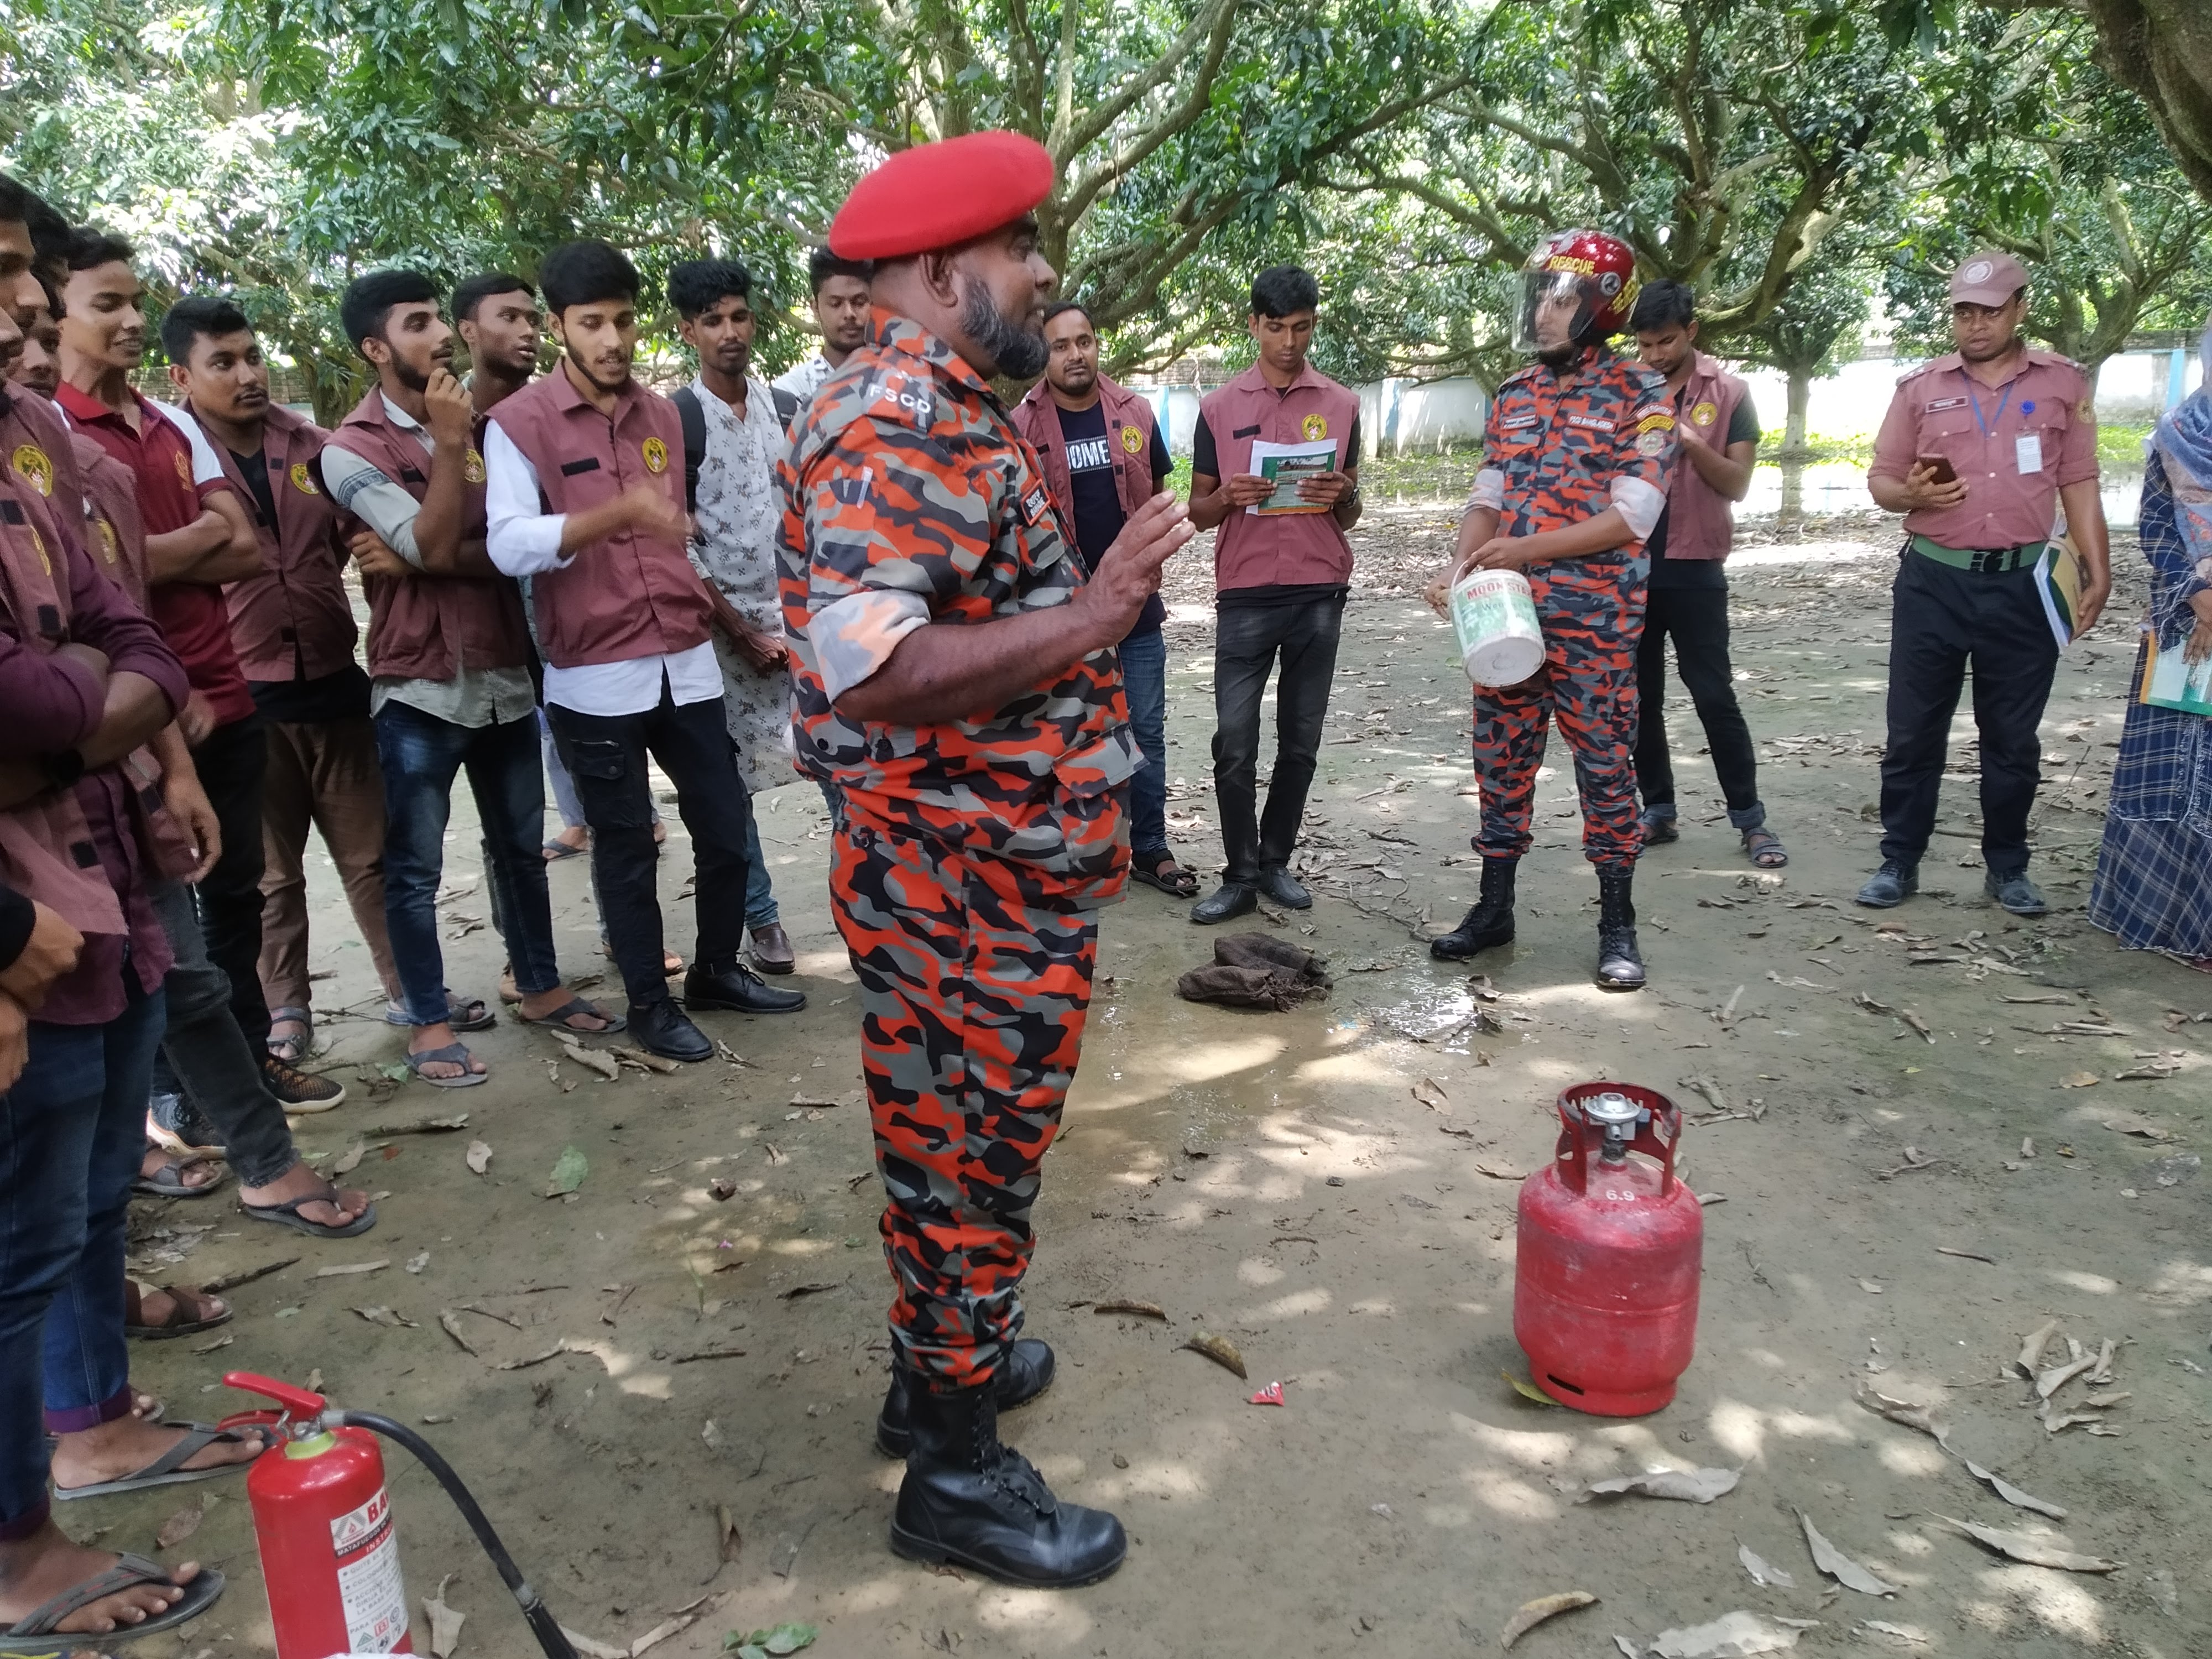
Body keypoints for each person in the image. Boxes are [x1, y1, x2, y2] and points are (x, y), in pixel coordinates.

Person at [783, 129, 1193, 1587]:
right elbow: (872, 668)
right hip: (958, 882)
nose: (1041, 272)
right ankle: (954, 1479)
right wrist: (1094, 617)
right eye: (1019, 249)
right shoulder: (895, 422)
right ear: (940, 271)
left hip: (992, 864)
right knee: (965, 1161)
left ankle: (935, 1379)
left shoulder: (950, 403)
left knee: (965, 1150)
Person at [0, 410, 255, 1643]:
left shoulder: (29, 436)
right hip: (22, 917)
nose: (25, 326)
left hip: (95, 869)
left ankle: (93, 1425)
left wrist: (59, 738)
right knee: (15, 1244)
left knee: (88, 1196)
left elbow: (132, 641)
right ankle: (14, 1551)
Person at [483, 238, 803, 1062]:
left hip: (686, 664)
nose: (613, 340)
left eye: (623, 321)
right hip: (596, 679)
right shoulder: (519, 425)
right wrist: (615, 515)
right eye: (592, 323)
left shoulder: (661, 415)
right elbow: (509, 544)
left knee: (724, 827)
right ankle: (650, 1006)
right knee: (626, 849)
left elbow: (676, 536)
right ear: (560, 326)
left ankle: (716, 972)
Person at [54, 231, 343, 1110]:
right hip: (133, 716)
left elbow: (243, 546)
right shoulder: (52, 429)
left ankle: (250, 1065)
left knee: (235, 898)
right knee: (152, 919)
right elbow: (79, 579)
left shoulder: (171, 424)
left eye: (135, 302)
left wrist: (131, 553)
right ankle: (171, 1099)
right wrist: (175, 549)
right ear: (56, 312)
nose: (130, 320)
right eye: (107, 304)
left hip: (227, 696)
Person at [321, 270, 622, 1086]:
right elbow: (425, 545)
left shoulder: (493, 430)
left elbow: (517, 547)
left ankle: (540, 985)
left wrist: (436, 552)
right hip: (421, 684)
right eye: (417, 324)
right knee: (415, 868)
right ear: (375, 348)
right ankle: (427, 1022)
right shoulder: (349, 450)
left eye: (437, 320)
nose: (439, 338)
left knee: (520, 849)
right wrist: (451, 454)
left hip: (503, 671)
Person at [162, 297, 419, 1061]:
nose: (248, 375)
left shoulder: (316, 448)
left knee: (372, 857)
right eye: (223, 363)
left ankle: (410, 990)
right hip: (242, 699)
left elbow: (358, 539)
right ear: (182, 376)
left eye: (252, 357)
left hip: (336, 684)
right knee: (270, 877)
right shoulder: (172, 456)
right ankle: (287, 1010)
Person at [1423, 229, 1676, 990]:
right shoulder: (1515, 394)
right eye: (1539, 298)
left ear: (1606, 306)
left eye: (1562, 300)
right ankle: (1494, 908)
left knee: (1604, 767)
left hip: (1594, 622)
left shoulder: (1643, 395)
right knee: (1500, 759)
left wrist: (1523, 551)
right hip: (1506, 616)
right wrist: (1462, 563)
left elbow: (1632, 516)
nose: (1544, 313)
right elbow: (1489, 495)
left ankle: (1617, 925)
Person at [1860, 250, 2110, 915]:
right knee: (1913, 732)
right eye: (1964, 312)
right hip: (1932, 584)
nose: (1975, 325)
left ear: (2020, 309)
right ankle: (1898, 860)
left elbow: (2078, 480)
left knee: (2011, 739)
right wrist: (1909, 494)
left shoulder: (2062, 384)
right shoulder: (1919, 389)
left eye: (1991, 312)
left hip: (2022, 586)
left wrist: (2098, 565)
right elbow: (1882, 480)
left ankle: (2008, 867)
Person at [1185, 265, 1362, 924]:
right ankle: (1238, 875)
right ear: (1253, 325)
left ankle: (1275, 862)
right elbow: (1197, 511)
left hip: (1319, 591)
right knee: (1234, 742)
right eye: (1277, 328)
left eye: (1302, 328)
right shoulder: (1219, 408)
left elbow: (1351, 512)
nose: (1289, 342)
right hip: (1246, 594)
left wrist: (1344, 494)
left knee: (1300, 742)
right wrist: (1226, 498)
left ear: (1314, 324)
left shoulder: (1342, 405)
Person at [1013, 300, 1191, 899]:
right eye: (1060, 345)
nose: (1075, 355)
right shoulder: (1021, 426)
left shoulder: (1134, 412)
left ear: (1097, 344)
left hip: (1136, 612)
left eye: (1084, 341)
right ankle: (1082, 854)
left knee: (1145, 730)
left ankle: (1151, 848)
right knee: (1070, 737)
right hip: (1060, 618)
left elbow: (1156, 497)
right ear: (1043, 354)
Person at [667, 258, 804, 975]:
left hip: (803, 630)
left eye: (739, 316)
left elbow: (817, 516)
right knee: (729, 786)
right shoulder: (678, 421)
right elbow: (677, 545)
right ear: (687, 332)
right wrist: (741, 631)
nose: (730, 332)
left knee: (840, 761)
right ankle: (762, 916)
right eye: (712, 320)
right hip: (722, 640)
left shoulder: (788, 409)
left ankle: (864, 899)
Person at [1627, 280, 1786, 868]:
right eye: (1644, 345)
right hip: (1630, 568)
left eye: (1666, 342)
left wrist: (1689, 441)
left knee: (1714, 695)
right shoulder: (1623, 390)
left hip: (1696, 568)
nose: (1654, 356)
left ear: (1691, 331)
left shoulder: (1731, 393)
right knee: (1639, 699)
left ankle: (1750, 820)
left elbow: (1738, 484)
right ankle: (1657, 810)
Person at [2089, 313, 2212, 969]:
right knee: (2166, 774)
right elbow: (2156, 524)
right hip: (2181, 626)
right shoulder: (2178, 432)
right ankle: (2157, 915)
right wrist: (2196, 592)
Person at [771, 247, 874, 414]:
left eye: (859, 302)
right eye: (836, 304)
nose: (849, 314)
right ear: (815, 308)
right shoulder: (791, 393)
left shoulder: (898, 379)